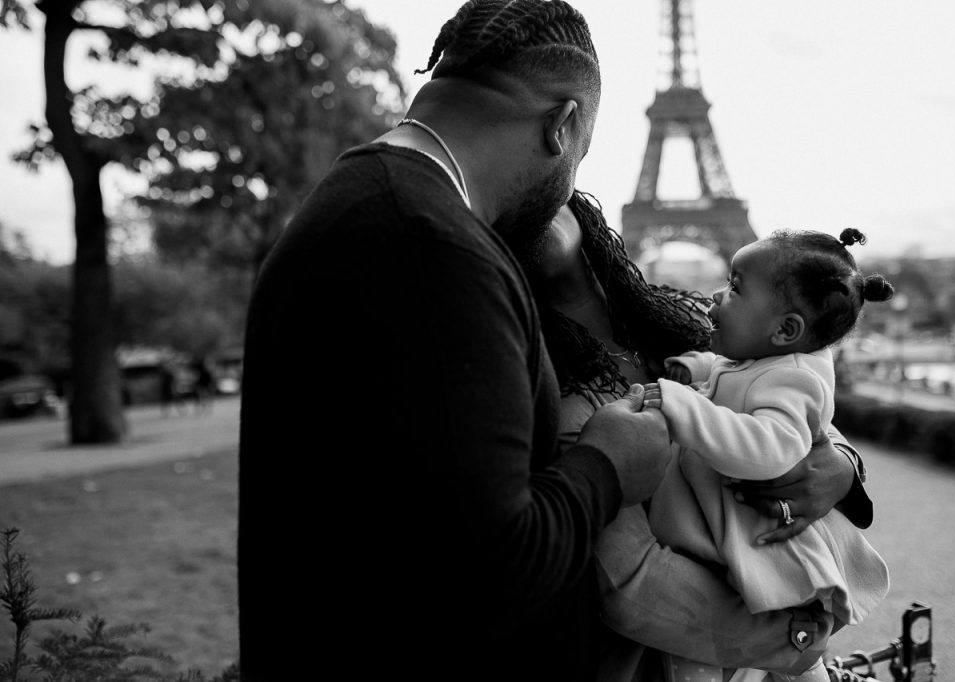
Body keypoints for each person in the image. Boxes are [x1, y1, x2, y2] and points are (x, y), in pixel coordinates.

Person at [237, 3, 674, 681]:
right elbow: (486, 573)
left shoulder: (369, 204)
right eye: (580, 155)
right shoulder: (430, 247)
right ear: (562, 127)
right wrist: (607, 468)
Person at [527, 192, 879, 682]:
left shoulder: (692, 323)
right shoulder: (554, 393)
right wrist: (796, 638)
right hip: (680, 657)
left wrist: (840, 463)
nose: (537, 201)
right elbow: (636, 583)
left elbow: (787, 395)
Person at [641, 228, 894, 681]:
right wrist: (698, 367)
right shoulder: (767, 354)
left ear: (785, 329)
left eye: (736, 288)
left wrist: (682, 405)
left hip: (759, 543)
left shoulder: (796, 379)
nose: (719, 293)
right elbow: (730, 372)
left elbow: (769, 449)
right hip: (727, 541)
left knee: (785, 658)